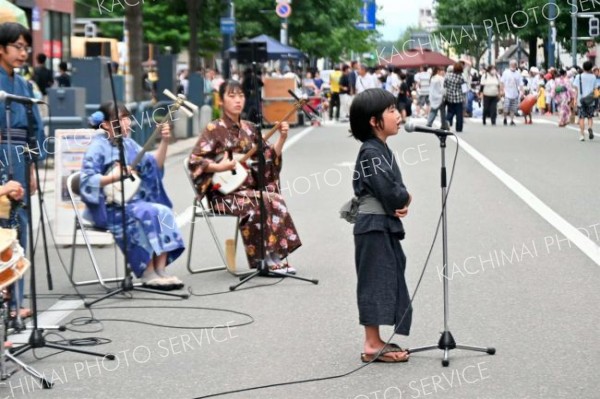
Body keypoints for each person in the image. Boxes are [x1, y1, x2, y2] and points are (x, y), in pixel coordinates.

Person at [188, 80, 300, 273]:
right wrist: (220, 166)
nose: (237, 100)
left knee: (275, 198)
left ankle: (274, 256)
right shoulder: (213, 129)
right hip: (223, 195)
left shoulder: (250, 128)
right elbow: (196, 161)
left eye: (240, 96)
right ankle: (263, 260)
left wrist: (282, 138)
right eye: (231, 96)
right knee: (261, 202)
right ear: (221, 101)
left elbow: (268, 158)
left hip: (249, 191)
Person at [80, 102, 185, 289]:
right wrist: (112, 177)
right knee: (145, 213)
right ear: (105, 124)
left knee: (163, 210)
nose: (127, 122)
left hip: (133, 202)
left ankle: (160, 269)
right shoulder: (97, 147)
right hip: (110, 207)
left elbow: (154, 166)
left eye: (127, 117)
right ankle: (148, 271)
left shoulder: (129, 144)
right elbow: (86, 180)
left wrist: (164, 142)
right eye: (120, 119)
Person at [348, 88, 412, 363]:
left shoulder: (378, 149)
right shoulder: (371, 152)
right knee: (374, 279)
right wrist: (404, 196)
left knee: (384, 274)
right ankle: (372, 343)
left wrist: (401, 197)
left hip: (377, 223)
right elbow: (391, 191)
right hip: (373, 224)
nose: (398, 115)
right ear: (374, 121)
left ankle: (375, 339)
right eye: (391, 111)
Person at [0, 22, 47, 319]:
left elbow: (36, 129)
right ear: (1, 48)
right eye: (17, 46)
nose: (23, 53)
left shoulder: (25, 85)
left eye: (26, 48)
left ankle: (17, 300)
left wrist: (30, 167)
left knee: (20, 225)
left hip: (19, 155)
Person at [573, 61, 598, 141]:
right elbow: (596, 89)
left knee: (581, 118)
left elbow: (576, 90)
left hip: (581, 100)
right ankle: (590, 128)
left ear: (583, 67)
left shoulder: (578, 76)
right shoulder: (593, 77)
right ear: (591, 68)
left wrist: (575, 100)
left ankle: (582, 135)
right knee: (590, 117)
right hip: (591, 100)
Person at [445, 62, 466, 132]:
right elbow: (464, 89)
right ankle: (459, 127)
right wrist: (464, 98)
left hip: (449, 97)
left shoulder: (448, 76)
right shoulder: (461, 77)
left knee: (450, 111)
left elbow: (444, 85)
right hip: (458, 98)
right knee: (459, 114)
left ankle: (447, 122)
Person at [501, 59, 523, 126]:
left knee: (513, 108)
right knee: (506, 108)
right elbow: (502, 82)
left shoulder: (518, 73)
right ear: (510, 65)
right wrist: (502, 90)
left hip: (515, 93)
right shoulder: (506, 72)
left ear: (516, 65)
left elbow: (521, 83)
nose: (513, 66)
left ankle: (512, 120)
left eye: (514, 65)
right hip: (507, 93)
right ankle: (505, 118)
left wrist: (522, 91)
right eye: (512, 64)